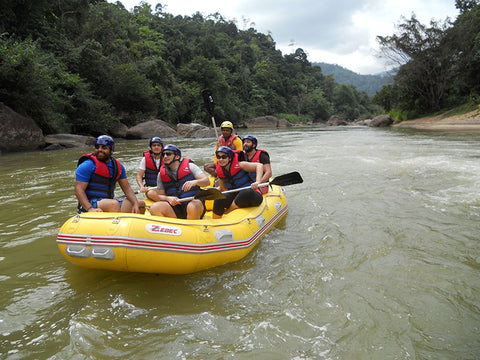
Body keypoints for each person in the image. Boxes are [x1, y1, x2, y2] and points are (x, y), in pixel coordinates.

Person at [75, 135, 145, 213]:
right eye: (97, 147)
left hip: (108, 201)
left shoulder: (118, 167)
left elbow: (127, 189)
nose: (99, 150)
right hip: (89, 204)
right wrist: (90, 209)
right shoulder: (87, 165)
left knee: (140, 204)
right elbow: (79, 190)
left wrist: (135, 204)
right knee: (113, 204)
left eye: (104, 147)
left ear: (111, 151)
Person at [149, 145, 210, 219]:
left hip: (194, 203)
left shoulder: (190, 166)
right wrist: (168, 198)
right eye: (163, 154)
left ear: (177, 157)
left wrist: (195, 182)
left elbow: (207, 181)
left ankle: (192, 227)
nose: (165, 156)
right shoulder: (161, 174)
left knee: (192, 206)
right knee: (154, 207)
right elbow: (160, 196)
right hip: (176, 207)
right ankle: (173, 228)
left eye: (168, 154)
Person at [212, 146, 264, 219]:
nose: (221, 159)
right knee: (219, 198)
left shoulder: (240, 164)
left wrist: (257, 181)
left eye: (224, 157)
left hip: (251, 195)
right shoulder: (219, 171)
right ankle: (215, 220)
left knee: (245, 192)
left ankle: (228, 211)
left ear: (229, 158)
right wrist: (217, 190)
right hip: (234, 195)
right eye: (218, 157)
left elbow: (259, 166)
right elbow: (223, 188)